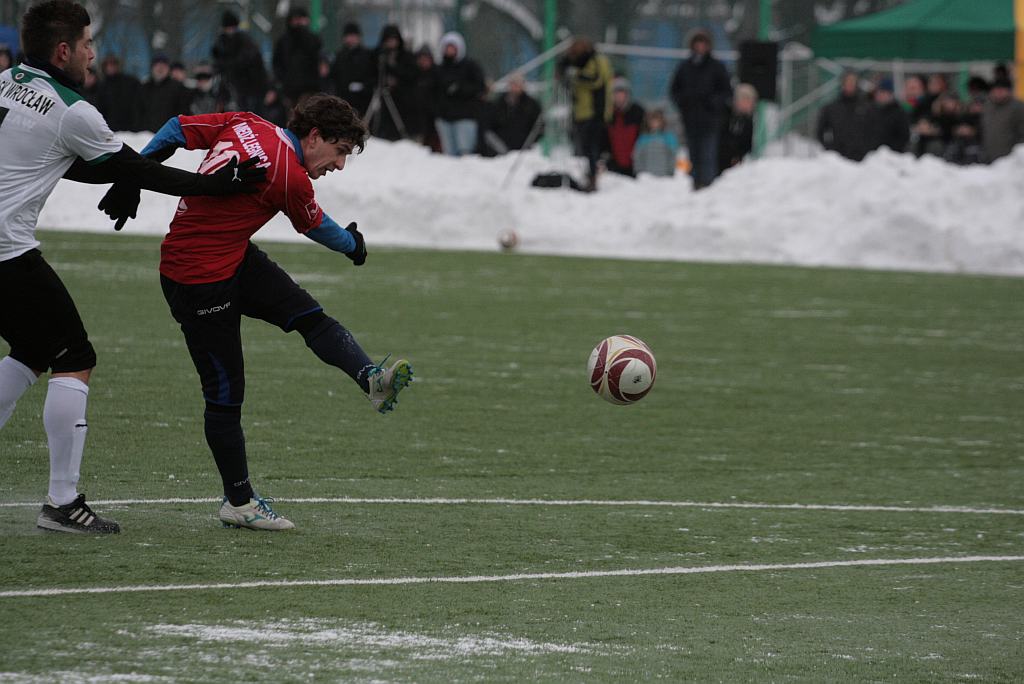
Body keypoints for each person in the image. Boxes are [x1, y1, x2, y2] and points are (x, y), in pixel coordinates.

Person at [0, 0, 266, 534]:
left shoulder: (7, 81)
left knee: (32, 350)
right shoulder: (72, 109)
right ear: (63, 50)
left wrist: (124, 176)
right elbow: (133, 167)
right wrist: (215, 185)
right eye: (87, 44)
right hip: (6, 252)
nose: (92, 54)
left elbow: (61, 158)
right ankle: (62, 503)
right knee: (75, 355)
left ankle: (61, 502)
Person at [100, 95, 414, 531]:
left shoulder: (247, 122)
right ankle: (239, 503)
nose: (340, 165)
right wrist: (353, 245)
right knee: (225, 395)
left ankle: (370, 379)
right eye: (340, 151)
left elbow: (176, 128)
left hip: (231, 254)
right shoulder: (288, 174)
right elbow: (316, 225)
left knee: (307, 314)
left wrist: (135, 174)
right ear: (315, 136)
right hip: (197, 277)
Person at [669, 28, 731, 189]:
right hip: (690, 119)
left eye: (703, 43)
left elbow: (726, 92)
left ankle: (708, 185)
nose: (700, 46)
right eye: (697, 43)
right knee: (694, 154)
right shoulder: (685, 67)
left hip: (710, 121)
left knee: (708, 154)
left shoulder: (717, 67)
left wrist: (713, 103)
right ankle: (696, 183)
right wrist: (684, 103)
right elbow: (674, 90)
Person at [558, 37, 613, 192]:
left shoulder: (597, 61)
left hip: (596, 111)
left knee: (593, 146)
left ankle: (593, 176)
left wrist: (575, 75)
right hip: (580, 111)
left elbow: (596, 80)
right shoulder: (578, 62)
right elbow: (563, 69)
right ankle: (588, 174)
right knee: (584, 146)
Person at [435, 31, 485, 157]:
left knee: (465, 152)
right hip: (445, 117)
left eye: (453, 47)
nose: (450, 50)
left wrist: (460, 88)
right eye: (447, 47)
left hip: (465, 116)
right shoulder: (440, 69)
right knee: (449, 154)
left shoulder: (470, 67)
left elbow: (479, 87)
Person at [211, 10, 267, 113]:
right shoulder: (221, 43)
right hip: (231, 86)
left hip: (247, 86)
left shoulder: (245, 42)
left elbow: (253, 64)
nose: (230, 31)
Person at [367, 24, 416, 141]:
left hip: (401, 100)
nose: (391, 43)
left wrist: (394, 73)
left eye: (394, 39)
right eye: (388, 40)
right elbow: (370, 74)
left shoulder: (406, 56)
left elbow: (410, 75)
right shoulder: (376, 55)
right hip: (380, 97)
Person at [272, 5, 322, 112]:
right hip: (290, 88)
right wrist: (282, 80)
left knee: (302, 113)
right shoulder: (283, 41)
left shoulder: (312, 39)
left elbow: (317, 58)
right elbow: (277, 63)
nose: (298, 22)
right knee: (294, 114)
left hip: (308, 87)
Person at [816, 71, 873, 161]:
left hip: (862, 160)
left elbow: (874, 130)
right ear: (842, 84)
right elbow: (821, 131)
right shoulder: (831, 108)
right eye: (847, 81)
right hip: (839, 159)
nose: (850, 84)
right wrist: (830, 149)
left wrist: (867, 149)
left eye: (853, 82)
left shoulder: (867, 107)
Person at [136, 54, 193, 132]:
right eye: (158, 66)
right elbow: (138, 112)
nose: (160, 69)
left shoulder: (178, 88)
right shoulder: (144, 88)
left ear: (168, 69)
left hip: (170, 133)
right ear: (152, 68)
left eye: (163, 66)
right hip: (146, 134)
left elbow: (183, 113)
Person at [330, 22, 373, 116]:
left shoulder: (367, 55)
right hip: (344, 98)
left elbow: (371, 75)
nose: (351, 39)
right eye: (349, 36)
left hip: (363, 99)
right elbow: (334, 76)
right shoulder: (340, 55)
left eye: (354, 36)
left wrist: (363, 86)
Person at [489, 74, 541, 152]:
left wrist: (530, 142)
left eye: (518, 84)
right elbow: (491, 124)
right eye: (513, 84)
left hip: (525, 149)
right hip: (501, 149)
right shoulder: (499, 103)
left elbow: (539, 126)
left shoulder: (532, 105)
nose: (515, 87)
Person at [605, 77, 645, 177]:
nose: (619, 96)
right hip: (614, 167)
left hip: (636, 165)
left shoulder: (638, 112)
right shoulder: (608, 115)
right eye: (616, 93)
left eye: (621, 93)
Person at [980, 77, 1024, 162]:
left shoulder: (1018, 107)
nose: (998, 93)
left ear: (1009, 91)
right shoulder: (988, 106)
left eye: (1001, 90)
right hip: (989, 157)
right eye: (995, 90)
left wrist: (1017, 155)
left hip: (1010, 159)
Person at [718, 83, 756, 175]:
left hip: (737, 159)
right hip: (721, 157)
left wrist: (739, 155)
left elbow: (748, 142)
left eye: (750, 101)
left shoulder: (748, 120)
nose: (749, 104)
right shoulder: (725, 115)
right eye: (745, 100)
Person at [94, 55, 140, 131]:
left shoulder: (130, 82)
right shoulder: (102, 86)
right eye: (108, 65)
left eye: (113, 65)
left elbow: (137, 104)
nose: (110, 68)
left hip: (130, 126)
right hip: (110, 127)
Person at [411, 44, 441, 151]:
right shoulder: (413, 74)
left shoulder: (437, 74)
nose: (423, 62)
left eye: (426, 59)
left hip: (433, 117)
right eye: (421, 59)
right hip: (416, 117)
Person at [632, 109, 678, 177]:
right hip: (647, 176)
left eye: (657, 121)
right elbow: (637, 156)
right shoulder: (643, 138)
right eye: (652, 121)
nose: (654, 123)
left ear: (662, 121)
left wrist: (671, 171)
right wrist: (639, 171)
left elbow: (673, 155)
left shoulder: (669, 137)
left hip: (665, 176)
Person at [868, 78, 909, 153]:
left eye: (883, 92)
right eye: (878, 92)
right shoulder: (871, 110)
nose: (879, 95)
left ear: (890, 94)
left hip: (891, 155)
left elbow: (903, 137)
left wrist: (890, 152)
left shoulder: (899, 113)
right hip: (872, 154)